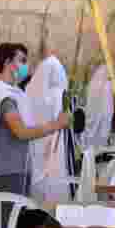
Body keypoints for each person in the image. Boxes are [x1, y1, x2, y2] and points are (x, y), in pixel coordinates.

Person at [0, 44, 68, 228]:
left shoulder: (14, 93)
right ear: (8, 63)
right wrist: (56, 125)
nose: (27, 65)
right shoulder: (2, 95)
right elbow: (21, 131)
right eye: (22, 60)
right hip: (7, 172)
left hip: (20, 170)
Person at [26, 55, 76, 202]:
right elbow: (67, 125)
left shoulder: (29, 94)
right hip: (56, 151)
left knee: (37, 194)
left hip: (36, 149)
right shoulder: (60, 95)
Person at [82, 64, 115, 152]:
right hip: (104, 115)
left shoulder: (93, 84)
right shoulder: (108, 85)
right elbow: (108, 110)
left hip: (93, 118)